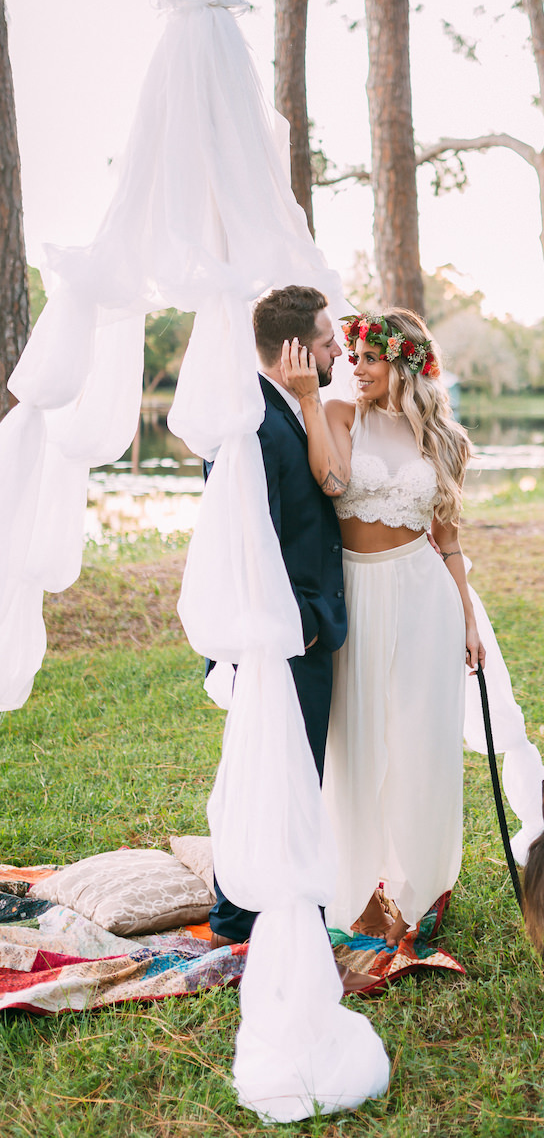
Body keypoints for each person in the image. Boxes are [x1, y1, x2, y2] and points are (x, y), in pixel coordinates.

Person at [284, 307, 485, 948]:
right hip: (357, 593)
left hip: (425, 594)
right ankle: (353, 882)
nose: (356, 366)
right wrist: (313, 404)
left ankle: (417, 885)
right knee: (357, 737)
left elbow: (448, 542)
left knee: (421, 737)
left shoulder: (443, 441)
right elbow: (334, 479)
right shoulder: (342, 414)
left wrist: (468, 619)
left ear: (404, 362)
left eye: (370, 357)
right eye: (353, 355)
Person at [207, 285, 377, 993]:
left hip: (296, 628)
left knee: (286, 765)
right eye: (328, 339)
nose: (339, 351)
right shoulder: (252, 421)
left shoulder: (282, 410)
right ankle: (242, 912)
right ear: (295, 349)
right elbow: (245, 541)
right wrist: (296, 624)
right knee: (277, 766)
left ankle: (253, 899)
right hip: (285, 633)